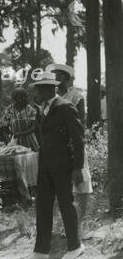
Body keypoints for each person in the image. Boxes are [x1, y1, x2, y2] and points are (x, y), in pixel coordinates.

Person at [22, 72, 85, 259]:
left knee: (67, 204)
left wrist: (78, 167)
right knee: (42, 206)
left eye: (38, 89)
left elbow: (78, 139)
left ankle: (75, 246)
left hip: (64, 165)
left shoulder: (66, 107)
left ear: (50, 89)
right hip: (45, 165)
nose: (35, 93)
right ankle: (41, 250)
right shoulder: (43, 110)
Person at [47, 63, 93, 234]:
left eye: (57, 75)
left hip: (73, 143)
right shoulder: (53, 99)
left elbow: (81, 122)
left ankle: (81, 223)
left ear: (66, 78)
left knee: (81, 182)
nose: (55, 79)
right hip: (58, 148)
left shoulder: (76, 96)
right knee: (63, 185)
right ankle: (69, 224)